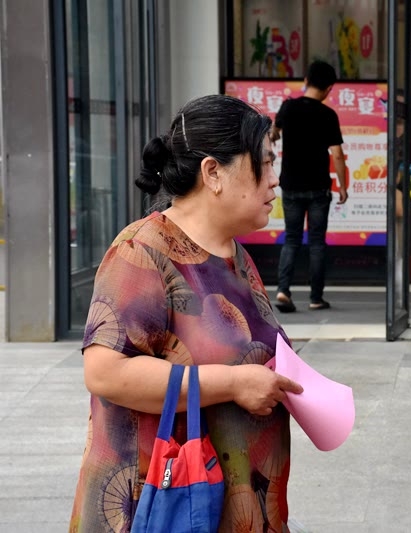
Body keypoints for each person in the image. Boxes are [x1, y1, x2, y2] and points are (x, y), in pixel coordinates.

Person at [71, 94, 305, 532]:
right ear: (213, 172)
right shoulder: (142, 250)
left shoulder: (235, 255)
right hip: (166, 507)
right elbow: (105, 372)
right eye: (265, 163)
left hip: (234, 506)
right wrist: (234, 383)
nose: (275, 180)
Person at [272, 60, 348, 312]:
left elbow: (273, 132)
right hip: (318, 188)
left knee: (291, 238)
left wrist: (275, 135)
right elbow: (337, 154)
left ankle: (283, 291)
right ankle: (316, 298)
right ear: (329, 89)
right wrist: (343, 186)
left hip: (291, 186)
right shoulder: (328, 115)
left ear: (305, 80)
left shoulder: (288, 107)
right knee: (316, 242)